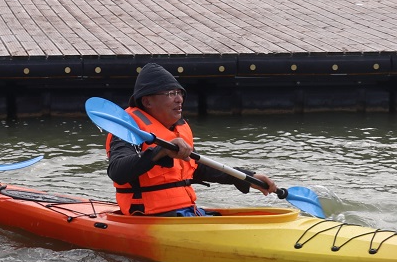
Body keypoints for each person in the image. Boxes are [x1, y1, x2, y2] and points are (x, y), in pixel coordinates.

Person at [106, 62, 277, 216]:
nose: (179, 99)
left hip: (185, 211)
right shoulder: (127, 129)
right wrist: (160, 151)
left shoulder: (178, 129)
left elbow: (197, 167)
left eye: (180, 93)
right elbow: (117, 171)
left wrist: (246, 177)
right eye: (170, 93)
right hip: (147, 216)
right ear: (147, 101)